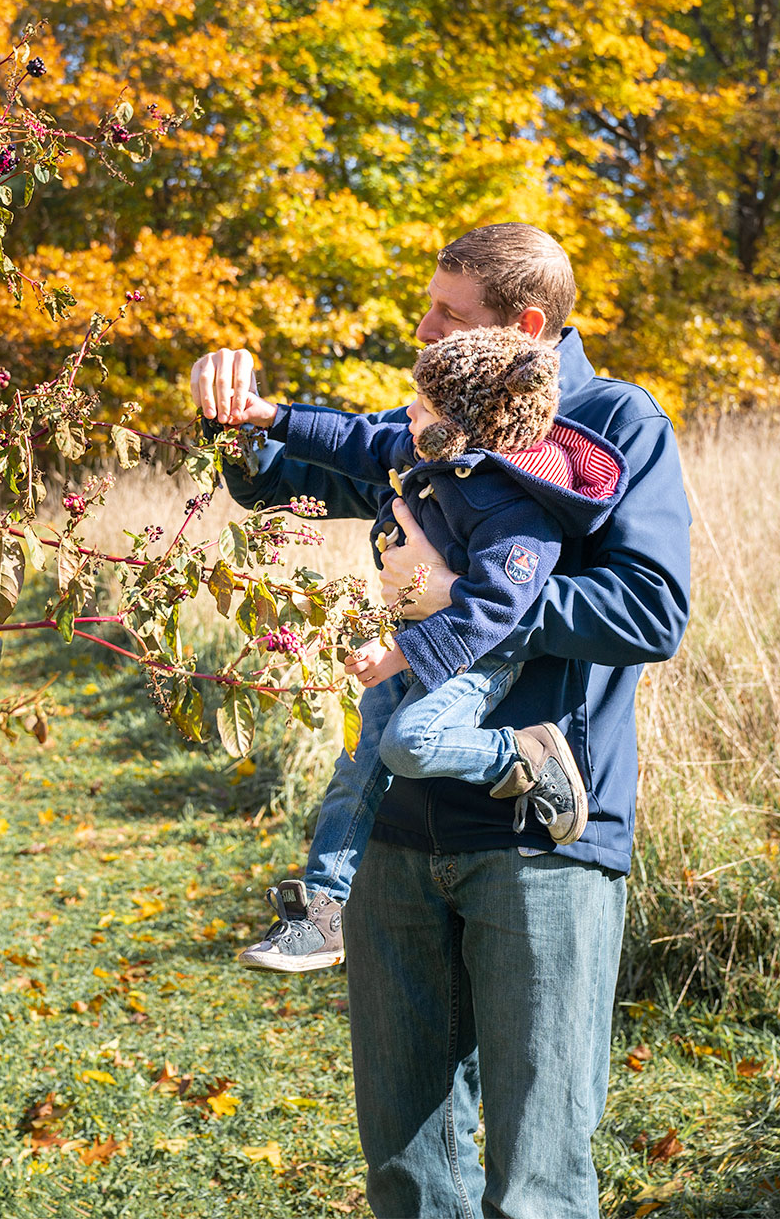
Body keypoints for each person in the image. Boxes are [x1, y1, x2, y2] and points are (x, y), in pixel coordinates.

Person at [191, 221, 691, 1219]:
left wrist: (451, 596)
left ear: (527, 324)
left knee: (537, 1187)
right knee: (410, 1181)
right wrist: (238, 420)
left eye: (448, 315)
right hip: (400, 839)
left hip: (542, 843)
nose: (421, 329)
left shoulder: (611, 424)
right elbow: (299, 471)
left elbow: (650, 610)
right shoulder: (442, 415)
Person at [223, 323, 627, 974]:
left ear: (459, 424)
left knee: (407, 745)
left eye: (424, 404)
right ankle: (324, 910)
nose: (408, 411)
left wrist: (394, 659)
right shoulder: (433, 450)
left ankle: (523, 753)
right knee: (361, 753)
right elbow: (357, 441)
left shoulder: (515, 506)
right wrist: (270, 416)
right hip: (421, 640)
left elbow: (490, 612)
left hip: (481, 654)